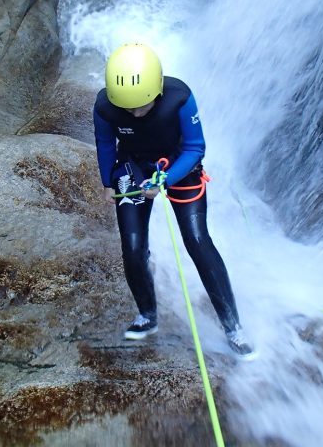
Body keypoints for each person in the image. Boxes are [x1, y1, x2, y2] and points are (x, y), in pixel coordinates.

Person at [93, 43, 256, 359]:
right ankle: (147, 316)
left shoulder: (179, 97)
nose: (133, 113)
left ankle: (233, 328)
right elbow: (104, 142)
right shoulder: (105, 106)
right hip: (133, 166)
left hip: (179, 164)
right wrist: (106, 180)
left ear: (156, 91)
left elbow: (195, 146)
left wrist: (165, 179)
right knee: (133, 247)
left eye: (141, 107)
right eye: (127, 108)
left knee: (197, 241)